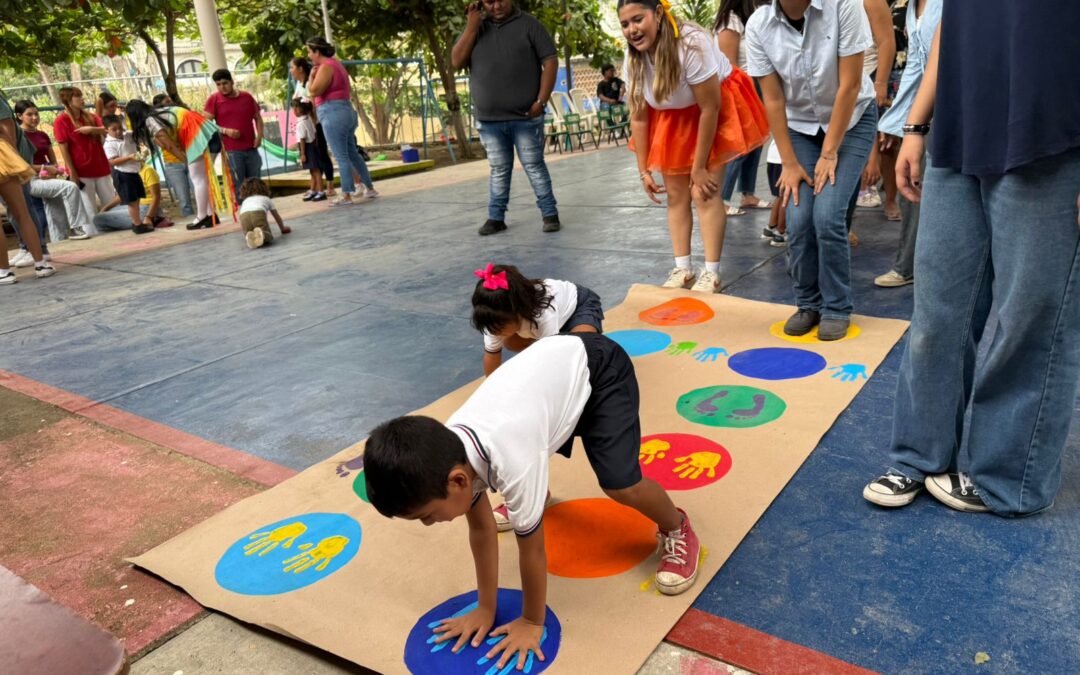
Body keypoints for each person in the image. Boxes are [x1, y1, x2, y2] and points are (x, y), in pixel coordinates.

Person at [364, 332, 702, 667]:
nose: (429, 524)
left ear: (459, 481)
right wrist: (486, 608)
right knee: (525, 479)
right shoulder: (447, 452)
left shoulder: (509, 459)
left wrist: (531, 621)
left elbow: (534, 550)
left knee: (621, 485)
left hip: (600, 371)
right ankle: (531, 495)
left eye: (426, 515)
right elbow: (481, 529)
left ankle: (677, 527)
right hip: (548, 384)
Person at [863, 0, 1080, 516]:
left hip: (1052, 128)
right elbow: (952, 24)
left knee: (1031, 319)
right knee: (938, 311)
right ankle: (918, 455)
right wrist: (916, 126)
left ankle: (1009, 480)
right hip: (961, 125)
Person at [745, 0, 877, 341]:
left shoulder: (843, 6)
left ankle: (836, 307)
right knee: (799, 218)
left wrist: (830, 152)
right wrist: (789, 163)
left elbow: (850, 85)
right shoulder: (759, 24)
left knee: (828, 216)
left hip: (852, 121)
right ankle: (807, 304)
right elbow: (773, 99)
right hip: (800, 129)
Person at [620, 0, 769, 293]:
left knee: (704, 193)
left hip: (712, 108)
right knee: (676, 195)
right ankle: (683, 268)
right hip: (672, 115)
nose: (632, 29)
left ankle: (711, 272)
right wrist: (644, 170)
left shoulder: (691, 43)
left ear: (658, 13)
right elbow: (638, 117)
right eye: (625, 24)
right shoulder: (632, 59)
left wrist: (699, 168)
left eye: (638, 19)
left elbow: (710, 108)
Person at [451, 0, 561, 235]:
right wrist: (471, 26)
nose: (496, 6)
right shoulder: (475, 28)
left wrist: (541, 102)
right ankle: (496, 217)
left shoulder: (529, 25)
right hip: (489, 121)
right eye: (489, 2)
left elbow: (550, 61)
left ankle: (550, 214)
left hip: (525, 117)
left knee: (534, 166)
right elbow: (456, 62)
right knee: (499, 169)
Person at [871, 0, 940, 288]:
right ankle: (908, 265)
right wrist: (899, 123)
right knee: (913, 185)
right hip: (928, 112)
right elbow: (916, 65)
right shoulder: (910, 8)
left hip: (958, 111)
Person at [471, 263, 604, 376]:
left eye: (500, 328)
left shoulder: (543, 315)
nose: (495, 332)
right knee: (511, 342)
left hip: (578, 307)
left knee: (585, 352)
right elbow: (492, 355)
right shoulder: (492, 319)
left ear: (518, 312)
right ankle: (541, 347)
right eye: (492, 329)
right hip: (545, 322)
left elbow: (556, 358)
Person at [9, 99, 94, 262]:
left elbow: (53, 161)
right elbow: (21, 165)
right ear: (19, 116)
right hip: (30, 180)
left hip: (47, 176)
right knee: (70, 188)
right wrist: (44, 169)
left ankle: (58, 242)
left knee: (56, 210)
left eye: (36, 114)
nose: (34, 117)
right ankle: (76, 227)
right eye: (29, 115)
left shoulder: (42, 135)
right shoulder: (18, 137)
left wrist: (52, 171)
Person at [125, 99, 225, 230]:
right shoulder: (159, 113)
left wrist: (186, 160)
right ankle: (210, 215)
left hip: (198, 133)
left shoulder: (150, 120)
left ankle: (202, 217)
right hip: (208, 133)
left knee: (198, 179)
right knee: (202, 178)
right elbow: (165, 143)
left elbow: (169, 146)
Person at [844, 0, 895, 247]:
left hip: (867, 80)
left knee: (881, 148)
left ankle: (889, 199)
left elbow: (886, 41)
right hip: (838, 82)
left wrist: (880, 83)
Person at [305, 37, 379, 206]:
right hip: (345, 110)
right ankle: (369, 188)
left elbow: (314, 91)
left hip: (332, 113)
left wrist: (311, 77)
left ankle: (346, 194)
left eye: (309, 52)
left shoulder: (326, 67)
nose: (309, 55)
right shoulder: (337, 64)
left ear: (317, 51)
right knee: (352, 153)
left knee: (341, 156)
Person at [714, 0, 771, 215]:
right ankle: (721, 198)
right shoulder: (730, 20)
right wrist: (738, 98)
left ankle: (748, 194)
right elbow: (728, 66)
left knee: (757, 142)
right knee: (741, 144)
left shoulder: (749, 18)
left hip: (756, 82)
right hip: (740, 86)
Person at [0, 106, 55, 283]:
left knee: (22, 213)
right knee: (22, 213)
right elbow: (7, 129)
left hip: (4, 155)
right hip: (4, 155)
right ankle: (40, 264)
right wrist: (16, 160)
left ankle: (4, 271)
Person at [54, 86, 114, 233]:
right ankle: (93, 236)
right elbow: (63, 148)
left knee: (111, 203)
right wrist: (72, 172)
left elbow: (110, 130)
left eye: (81, 96)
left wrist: (92, 129)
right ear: (68, 100)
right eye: (78, 97)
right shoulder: (61, 120)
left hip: (101, 167)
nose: (82, 99)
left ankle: (115, 229)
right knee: (88, 209)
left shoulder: (91, 117)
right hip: (81, 171)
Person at [203, 69, 263, 201]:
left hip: (252, 147)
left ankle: (258, 207)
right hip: (231, 151)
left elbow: (258, 118)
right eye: (218, 84)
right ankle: (242, 209)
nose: (222, 87)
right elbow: (205, 123)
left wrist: (259, 136)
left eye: (225, 83)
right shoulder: (214, 99)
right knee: (238, 185)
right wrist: (225, 130)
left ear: (232, 81)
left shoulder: (247, 97)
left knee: (256, 183)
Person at [289, 57, 336, 197]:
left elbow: (313, 102)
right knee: (313, 158)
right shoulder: (299, 83)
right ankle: (315, 186)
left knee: (321, 154)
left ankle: (329, 185)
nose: (291, 71)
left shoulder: (310, 82)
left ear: (300, 68)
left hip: (315, 124)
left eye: (292, 67)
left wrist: (314, 121)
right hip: (306, 123)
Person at [102, 115, 152, 234]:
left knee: (137, 199)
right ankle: (137, 225)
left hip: (134, 171)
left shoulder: (128, 135)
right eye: (114, 129)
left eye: (120, 128)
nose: (118, 131)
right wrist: (129, 157)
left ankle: (138, 222)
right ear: (106, 130)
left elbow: (139, 134)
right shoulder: (109, 144)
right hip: (122, 174)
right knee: (132, 201)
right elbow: (112, 161)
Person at [93, 163, 173, 232]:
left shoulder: (147, 170)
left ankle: (152, 218)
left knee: (98, 219)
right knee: (104, 215)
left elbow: (156, 196)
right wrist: (105, 208)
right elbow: (121, 195)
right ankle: (155, 218)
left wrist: (148, 217)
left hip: (146, 208)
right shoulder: (125, 172)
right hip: (136, 206)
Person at [152, 93, 195, 219]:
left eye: (170, 101)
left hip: (191, 158)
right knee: (184, 200)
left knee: (199, 192)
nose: (170, 104)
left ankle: (206, 216)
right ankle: (189, 219)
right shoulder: (155, 125)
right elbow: (164, 144)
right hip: (173, 164)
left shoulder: (179, 118)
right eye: (167, 102)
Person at [291, 98, 327, 201]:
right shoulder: (309, 119)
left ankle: (321, 191)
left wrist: (303, 154)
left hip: (307, 148)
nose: (293, 110)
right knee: (313, 170)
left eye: (294, 108)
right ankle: (313, 190)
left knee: (316, 171)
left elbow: (302, 139)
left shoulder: (301, 123)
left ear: (298, 110)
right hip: (313, 146)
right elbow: (315, 134)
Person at [237, 177, 289, 249]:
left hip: (243, 216)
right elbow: (276, 216)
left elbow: (241, 213)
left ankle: (248, 235)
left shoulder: (245, 201)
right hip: (257, 214)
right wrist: (282, 228)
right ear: (263, 187)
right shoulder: (266, 199)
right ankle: (263, 235)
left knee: (249, 232)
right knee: (267, 235)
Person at [761, 138, 786, 245]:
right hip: (785, 160)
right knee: (787, 196)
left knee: (780, 195)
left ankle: (770, 228)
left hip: (773, 157)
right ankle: (781, 231)